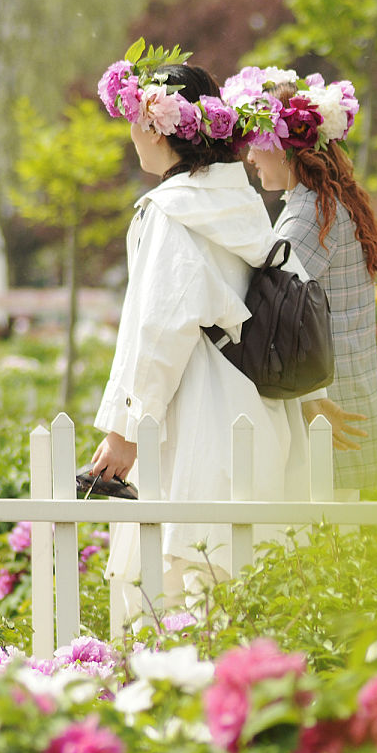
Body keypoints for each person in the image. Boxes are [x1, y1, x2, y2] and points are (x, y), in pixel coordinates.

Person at [91, 47, 328, 617]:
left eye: (135, 123)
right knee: (242, 583)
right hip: (258, 409)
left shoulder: (170, 212)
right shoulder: (243, 206)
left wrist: (124, 433)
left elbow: (158, 329)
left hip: (197, 414)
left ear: (158, 128)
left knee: (181, 591)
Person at [223, 66, 377, 496]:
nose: (249, 157)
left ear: (283, 149)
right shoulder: (328, 203)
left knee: (330, 543)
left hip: (328, 411)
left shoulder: (307, 216)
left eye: (257, 144)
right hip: (346, 397)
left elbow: (265, 316)